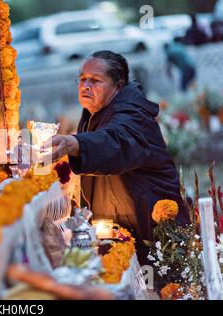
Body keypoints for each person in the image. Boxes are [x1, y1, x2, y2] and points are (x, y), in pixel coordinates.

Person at [42, 50, 190, 264]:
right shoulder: (97, 111)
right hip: (122, 225)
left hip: (152, 231)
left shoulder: (132, 116)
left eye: (95, 80)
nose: (85, 86)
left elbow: (117, 142)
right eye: (82, 79)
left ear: (118, 85)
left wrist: (76, 143)